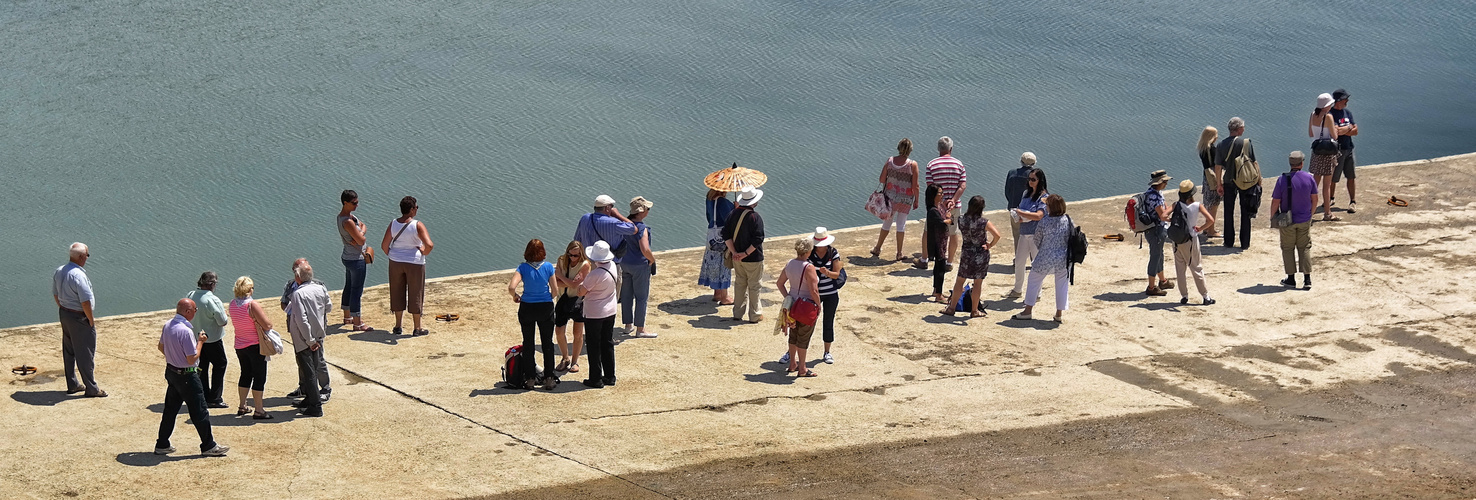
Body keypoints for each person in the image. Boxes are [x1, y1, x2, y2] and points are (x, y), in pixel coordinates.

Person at [154, 298, 229, 457]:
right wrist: (201, 341)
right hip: (187, 375)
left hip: (172, 372)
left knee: (170, 410)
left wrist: (173, 358)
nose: (196, 312)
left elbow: (161, 347)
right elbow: (192, 358)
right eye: (194, 310)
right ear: (187, 312)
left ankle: (162, 443)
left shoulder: (168, 325)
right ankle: (208, 445)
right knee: (200, 411)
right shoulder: (186, 331)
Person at [53, 243, 106, 398]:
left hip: (64, 314)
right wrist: (90, 319)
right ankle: (92, 388)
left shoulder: (59, 271)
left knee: (69, 351)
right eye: (87, 255)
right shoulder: (78, 275)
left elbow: (56, 294)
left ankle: (73, 384)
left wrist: (64, 309)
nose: (87, 259)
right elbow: (85, 302)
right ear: (82, 257)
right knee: (86, 353)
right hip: (79, 317)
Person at [508, 239, 559, 390]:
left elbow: (511, 287)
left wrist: (516, 296)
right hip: (545, 306)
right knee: (547, 343)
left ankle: (530, 378)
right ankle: (549, 378)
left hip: (527, 306)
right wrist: (548, 297)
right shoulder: (549, 267)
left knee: (528, 342)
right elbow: (555, 290)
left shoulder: (522, 268)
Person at [1012, 194, 1071, 323]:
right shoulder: (1067, 220)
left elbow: (1037, 239)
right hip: (1063, 258)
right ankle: (1059, 313)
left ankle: (1028, 311)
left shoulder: (1044, 221)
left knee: (1033, 280)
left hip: (1045, 257)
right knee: (1062, 285)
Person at [382, 196, 434, 336]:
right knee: (416, 292)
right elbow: (429, 245)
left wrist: (394, 255)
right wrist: (423, 252)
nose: (417, 209)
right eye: (416, 207)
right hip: (414, 263)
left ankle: (398, 326)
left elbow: (384, 246)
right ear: (411, 210)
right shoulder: (417, 225)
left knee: (397, 291)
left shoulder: (393, 224)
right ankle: (417, 328)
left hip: (395, 262)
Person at [943, 196, 1001, 317]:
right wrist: (990, 245)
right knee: (977, 283)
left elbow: (950, 221)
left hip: (966, 253)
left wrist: (948, 212)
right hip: (980, 254)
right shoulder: (984, 222)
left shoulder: (962, 220)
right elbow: (997, 235)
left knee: (959, 281)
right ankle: (974, 310)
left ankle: (951, 308)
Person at [282, 258, 330, 402]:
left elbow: (327, 307)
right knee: (302, 360)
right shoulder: (291, 286)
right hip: (296, 328)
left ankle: (324, 388)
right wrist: (292, 311)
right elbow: (283, 303)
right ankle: (304, 388)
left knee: (319, 360)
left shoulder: (319, 285)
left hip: (314, 329)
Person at [1272, 151, 1319, 290]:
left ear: (1290, 163)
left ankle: (1291, 279)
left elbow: (1276, 201)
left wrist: (1273, 216)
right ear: (1302, 163)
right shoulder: (1309, 178)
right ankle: (1307, 279)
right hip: (1304, 218)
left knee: (1287, 248)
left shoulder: (1282, 180)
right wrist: (1311, 214)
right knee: (1304, 247)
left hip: (1287, 221)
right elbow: (1315, 199)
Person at [228, 276, 273, 419]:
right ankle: (259, 410)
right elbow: (267, 325)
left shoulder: (232, 304)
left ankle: (242, 406)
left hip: (240, 345)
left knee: (245, 374)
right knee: (259, 377)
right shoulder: (252, 305)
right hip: (255, 345)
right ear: (249, 289)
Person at [184, 272, 230, 408]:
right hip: (213, 340)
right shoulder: (213, 300)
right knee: (220, 365)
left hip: (196, 339)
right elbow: (222, 321)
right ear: (212, 284)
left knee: (201, 368)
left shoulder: (190, 296)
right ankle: (215, 398)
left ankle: (203, 395)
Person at [776, 237, 821, 378]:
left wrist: (788, 297)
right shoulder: (809, 267)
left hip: (792, 306)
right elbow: (814, 291)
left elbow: (780, 283)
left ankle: (792, 364)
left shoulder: (789, 264)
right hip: (806, 306)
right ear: (809, 251)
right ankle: (802, 368)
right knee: (803, 337)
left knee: (793, 335)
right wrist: (819, 306)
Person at [920, 137, 967, 270]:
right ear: (951, 149)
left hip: (935, 208)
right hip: (953, 208)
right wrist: (953, 200)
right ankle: (949, 263)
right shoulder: (959, 164)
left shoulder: (931, 165)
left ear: (938, 148)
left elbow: (931, 188)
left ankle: (924, 259)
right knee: (952, 233)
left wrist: (940, 202)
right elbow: (962, 186)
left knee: (928, 231)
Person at [1214, 117, 1261, 249]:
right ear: (1239, 129)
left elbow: (1218, 166)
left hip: (1228, 181)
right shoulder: (1246, 143)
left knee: (1228, 212)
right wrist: (1259, 180)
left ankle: (1229, 242)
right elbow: (1254, 162)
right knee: (1245, 211)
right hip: (1245, 181)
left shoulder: (1221, 145)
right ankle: (1244, 243)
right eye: (1243, 127)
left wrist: (1219, 184)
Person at [578, 241, 620, 388]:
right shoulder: (613, 266)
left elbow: (581, 292)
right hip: (610, 311)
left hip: (594, 313)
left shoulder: (594, 274)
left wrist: (579, 284)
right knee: (607, 343)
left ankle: (595, 379)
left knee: (593, 346)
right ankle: (610, 376)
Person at [870, 138, 920, 261]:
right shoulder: (912, 165)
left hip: (889, 198)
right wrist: (917, 200)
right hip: (905, 199)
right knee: (901, 224)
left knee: (887, 223)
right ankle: (899, 253)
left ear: (898, 148)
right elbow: (915, 186)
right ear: (910, 150)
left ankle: (877, 248)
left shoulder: (890, 161)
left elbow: (881, 179)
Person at [723, 187, 766, 323]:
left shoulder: (732, 214)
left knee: (740, 284)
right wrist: (745, 253)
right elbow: (758, 239)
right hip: (753, 258)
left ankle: (737, 313)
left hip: (737, 259)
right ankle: (754, 315)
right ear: (754, 202)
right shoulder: (755, 217)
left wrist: (735, 253)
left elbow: (726, 235)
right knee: (754, 286)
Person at [1171, 181, 1216, 305]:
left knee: (1180, 269)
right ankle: (1206, 297)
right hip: (1190, 239)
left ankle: (1184, 296)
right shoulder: (1197, 205)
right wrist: (1200, 228)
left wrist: (1174, 220)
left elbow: (1163, 216)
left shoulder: (1176, 205)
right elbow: (1211, 220)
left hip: (1177, 240)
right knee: (1196, 268)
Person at [1008, 168, 1049, 300]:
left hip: (1036, 234)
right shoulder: (1026, 193)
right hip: (1024, 232)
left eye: (1033, 179)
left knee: (1036, 264)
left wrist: (1020, 213)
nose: (1030, 182)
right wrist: (1018, 216)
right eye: (1029, 179)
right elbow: (1022, 209)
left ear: (1040, 181)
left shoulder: (1044, 197)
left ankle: (1037, 292)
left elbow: (1039, 215)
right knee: (1019, 262)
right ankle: (1017, 289)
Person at [620, 196, 658, 338]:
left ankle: (627, 325)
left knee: (627, 295)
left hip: (625, 263)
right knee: (641, 298)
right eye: (647, 209)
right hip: (639, 265)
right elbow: (645, 249)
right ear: (641, 212)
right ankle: (640, 329)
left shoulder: (625, 226)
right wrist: (652, 260)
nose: (648, 211)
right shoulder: (642, 228)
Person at [337, 189, 373, 331]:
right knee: (356, 290)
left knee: (349, 286)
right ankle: (357, 323)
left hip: (347, 256)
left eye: (357, 202)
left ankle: (347, 317)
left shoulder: (347, 217)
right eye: (353, 203)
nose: (356, 205)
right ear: (345, 203)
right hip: (356, 259)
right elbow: (361, 239)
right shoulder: (348, 221)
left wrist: (360, 232)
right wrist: (361, 233)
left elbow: (364, 226)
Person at [808, 228, 844, 363]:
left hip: (830, 294)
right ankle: (795, 350)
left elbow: (837, 274)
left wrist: (827, 273)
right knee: (806, 322)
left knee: (828, 322)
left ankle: (827, 352)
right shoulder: (810, 253)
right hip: (813, 294)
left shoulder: (833, 253)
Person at [553, 241, 589, 374]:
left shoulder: (585, 265)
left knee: (577, 333)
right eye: (571, 255)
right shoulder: (561, 260)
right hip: (562, 300)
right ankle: (565, 358)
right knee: (559, 331)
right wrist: (568, 282)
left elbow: (574, 285)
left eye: (577, 256)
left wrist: (561, 277)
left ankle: (575, 361)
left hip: (578, 300)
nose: (574, 258)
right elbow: (555, 282)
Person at [1308, 93, 1342, 221]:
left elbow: (1311, 133)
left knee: (1314, 184)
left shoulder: (1312, 115)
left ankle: (1308, 212)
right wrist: (1336, 129)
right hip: (1328, 154)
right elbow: (1335, 136)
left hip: (1317, 152)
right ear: (1327, 105)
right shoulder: (1328, 117)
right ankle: (1327, 213)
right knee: (1326, 186)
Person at [1142, 170, 1175, 297]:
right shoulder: (1155, 197)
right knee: (1155, 256)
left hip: (1155, 229)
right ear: (1160, 182)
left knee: (1160, 254)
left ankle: (1163, 281)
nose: (1166, 183)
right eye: (1165, 181)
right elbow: (1163, 216)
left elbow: (1163, 212)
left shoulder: (1153, 193)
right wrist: (1174, 209)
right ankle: (1151, 287)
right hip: (1156, 230)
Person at [700, 189, 735, 304]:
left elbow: (709, 217)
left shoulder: (709, 200)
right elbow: (729, 220)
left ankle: (717, 293)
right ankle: (725, 297)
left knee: (713, 263)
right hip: (722, 238)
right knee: (724, 264)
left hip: (712, 237)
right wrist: (736, 208)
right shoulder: (722, 202)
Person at [574, 195, 638, 257]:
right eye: (612, 206)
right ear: (607, 208)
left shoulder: (585, 218)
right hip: (608, 262)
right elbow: (634, 229)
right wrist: (617, 214)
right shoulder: (613, 223)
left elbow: (577, 239)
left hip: (587, 260)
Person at [1330, 89, 1359, 213]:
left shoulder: (1347, 112)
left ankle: (1352, 201)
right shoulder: (1330, 114)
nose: (1347, 101)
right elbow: (1336, 132)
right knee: (1333, 178)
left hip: (1349, 148)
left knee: (1351, 176)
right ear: (1338, 101)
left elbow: (1356, 131)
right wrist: (1349, 128)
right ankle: (1331, 198)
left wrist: (1345, 130)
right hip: (1337, 150)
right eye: (1345, 99)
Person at [925, 184, 952, 303]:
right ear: (934, 196)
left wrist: (948, 208)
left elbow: (945, 213)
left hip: (942, 242)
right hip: (937, 243)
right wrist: (950, 220)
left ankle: (937, 290)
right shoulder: (932, 211)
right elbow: (942, 222)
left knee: (939, 266)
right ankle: (938, 294)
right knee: (941, 268)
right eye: (940, 193)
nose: (942, 195)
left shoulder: (939, 206)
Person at [1004, 152, 1036, 251]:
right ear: (1034, 163)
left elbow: (1007, 191)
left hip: (1015, 209)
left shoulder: (1012, 173)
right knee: (1032, 234)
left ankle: (1018, 259)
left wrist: (1012, 202)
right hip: (1032, 210)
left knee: (1017, 234)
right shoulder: (1036, 175)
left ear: (1021, 161)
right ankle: (1033, 259)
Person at [1197, 127, 1222, 239]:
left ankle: (1207, 228)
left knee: (1208, 203)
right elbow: (1217, 166)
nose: (1217, 137)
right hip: (1213, 177)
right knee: (1214, 205)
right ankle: (1211, 230)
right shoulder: (1212, 149)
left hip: (1206, 178)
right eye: (1216, 135)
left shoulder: (1202, 148)